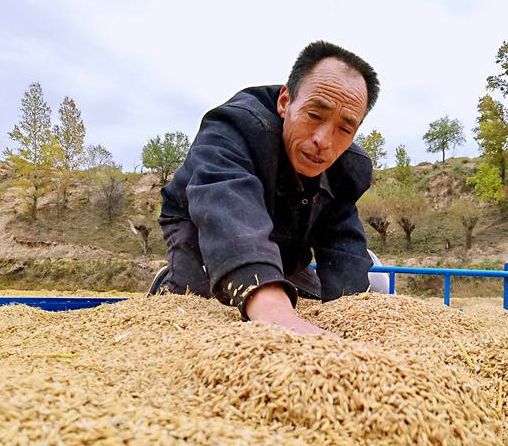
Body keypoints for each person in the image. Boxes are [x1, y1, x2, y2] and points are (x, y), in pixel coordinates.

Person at [150, 41, 381, 336]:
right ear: (285, 101)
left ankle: (274, 280)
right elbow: (225, 201)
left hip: (284, 244)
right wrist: (274, 312)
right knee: (194, 305)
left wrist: (352, 310)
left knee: (312, 299)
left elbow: (341, 240)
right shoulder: (234, 126)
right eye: (314, 115)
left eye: (345, 128)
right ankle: (172, 278)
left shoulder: (349, 168)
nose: (324, 140)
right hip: (202, 225)